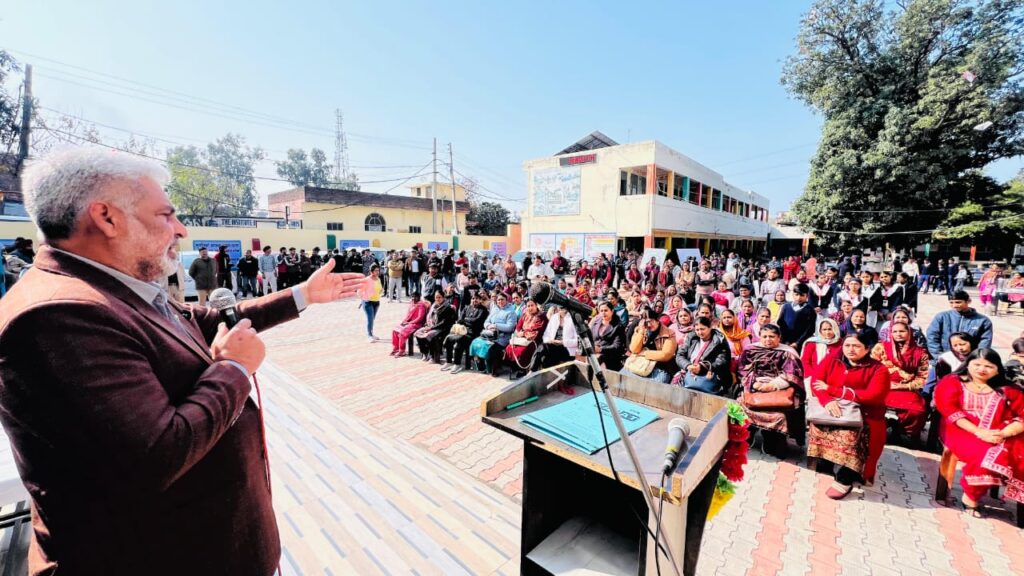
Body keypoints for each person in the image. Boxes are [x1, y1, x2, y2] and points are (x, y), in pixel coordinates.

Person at [0, 147, 365, 576]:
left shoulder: (108, 288)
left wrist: (303, 295)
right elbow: (156, 456)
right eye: (166, 215)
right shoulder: (57, 316)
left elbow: (204, 320)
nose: (181, 229)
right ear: (106, 218)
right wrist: (234, 370)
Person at [934, 349, 1024, 516]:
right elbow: (949, 410)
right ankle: (971, 496)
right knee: (988, 456)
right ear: (968, 364)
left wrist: (1004, 433)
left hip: (999, 433)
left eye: (988, 366)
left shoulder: (1008, 389)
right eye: (977, 364)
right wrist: (979, 432)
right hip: (960, 430)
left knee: (1015, 454)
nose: (982, 369)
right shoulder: (952, 382)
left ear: (997, 369)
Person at [808, 333, 891, 499]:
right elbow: (816, 382)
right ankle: (825, 461)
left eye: (856, 346)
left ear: (867, 349)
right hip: (832, 407)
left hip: (864, 413)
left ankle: (845, 477)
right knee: (821, 426)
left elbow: (873, 396)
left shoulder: (878, 369)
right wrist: (827, 400)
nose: (850, 349)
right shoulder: (832, 360)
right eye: (847, 345)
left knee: (853, 437)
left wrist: (833, 390)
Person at [737, 324, 805, 459]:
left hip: (779, 388)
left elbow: (793, 375)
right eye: (765, 336)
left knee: (780, 414)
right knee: (740, 404)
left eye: (772, 336)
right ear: (759, 337)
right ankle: (747, 437)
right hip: (754, 386)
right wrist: (754, 383)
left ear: (779, 337)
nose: (768, 339)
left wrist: (773, 385)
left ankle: (772, 444)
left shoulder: (787, 353)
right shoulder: (750, 350)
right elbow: (742, 370)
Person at [871, 321, 930, 445]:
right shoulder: (880, 347)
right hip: (881, 386)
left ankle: (901, 430)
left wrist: (904, 386)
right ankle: (881, 427)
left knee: (917, 411)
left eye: (902, 331)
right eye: (895, 331)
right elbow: (870, 369)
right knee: (871, 406)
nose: (898, 334)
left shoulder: (920, 352)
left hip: (906, 388)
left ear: (909, 332)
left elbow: (922, 377)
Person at [926, 291, 993, 360]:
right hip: (944, 359)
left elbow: (985, 342)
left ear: (968, 301)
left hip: (970, 360)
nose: (954, 305)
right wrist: (940, 357)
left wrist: (975, 359)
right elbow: (932, 337)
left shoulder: (983, 321)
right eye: (951, 303)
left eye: (958, 302)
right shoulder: (942, 317)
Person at [675, 317, 732, 394]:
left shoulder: (719, 340)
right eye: (697, 330)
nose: (700, 332)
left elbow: (722, 361)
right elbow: (680, 355)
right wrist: (688, 365)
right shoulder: (691, 337)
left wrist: (703, 367)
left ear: (710, 327)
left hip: (710, 374)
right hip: (690, 371)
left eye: (702, 329)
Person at [625, 306, 679, 384]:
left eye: (651, 321)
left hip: (660, 367)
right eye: (646, 322)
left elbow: (666, 355)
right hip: (640, 363)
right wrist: (641, 331)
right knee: (623, 381)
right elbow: (634, 349)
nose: (649, 324)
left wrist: (645, 353)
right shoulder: (640, 330)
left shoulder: (669, 333)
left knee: (653, 388)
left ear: (657, 321)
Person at [442, 292, 488, 373]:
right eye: (473, 298)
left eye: (477, 299)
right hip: (462, 330)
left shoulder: (483, 310)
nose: (474, 300)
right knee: (449, 338)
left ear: (480, 300)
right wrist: (467, 320)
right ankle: (448, 361)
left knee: (459, 341)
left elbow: (476, 322)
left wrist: (465, 319)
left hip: (473, 333)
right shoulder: (467, 307)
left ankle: (457, 364)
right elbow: (460, 320)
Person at [505, 299, 548, 378]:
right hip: (522, 338)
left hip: (535, 340)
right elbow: (518, 327)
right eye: (528, 306)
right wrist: (519, 333)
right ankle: (515, 366)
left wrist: (523, 333)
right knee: (509, 348)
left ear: (536, 305)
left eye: (532, 305)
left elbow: (537, 331)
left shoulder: (542, 316)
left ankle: (524, 370)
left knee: (522, 351)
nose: (530, 308)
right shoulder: (525, 314)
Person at [533, 305, 579, 371]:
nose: (560, 309)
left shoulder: (573, 319)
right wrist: (550, 341)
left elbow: (578, 341)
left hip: (567, 349)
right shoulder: (554, 317)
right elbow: (545, 335)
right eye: (559, 307)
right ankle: (532, 370)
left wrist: (563, 342)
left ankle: (534, 371)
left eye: (562, 307)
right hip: (554, 346)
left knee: (545, 357)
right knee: (542, 348)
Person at [415, 290, 457, 363]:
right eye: (436, 297)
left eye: (439, 297)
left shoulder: (448, 307)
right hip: (432, 326)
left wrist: (431, 328)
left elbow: (444, 322)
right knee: (418, 332)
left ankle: (432, 355)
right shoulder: (434, 306)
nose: (437, 299)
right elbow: (429, 317)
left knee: (429, 335)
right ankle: (425, 352)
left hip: (443, 328)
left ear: (443, 297)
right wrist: (428, 325)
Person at [801, 318, 842, 384]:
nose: (827, 332)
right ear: (820, 331)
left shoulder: (840, 343)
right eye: (824, 330)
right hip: (814, 376)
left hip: (835, 377)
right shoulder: (812, 343)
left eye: (830, 329)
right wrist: (813, 376)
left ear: (835, 329)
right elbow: (805, 361)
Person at [777, 283, 817, 349]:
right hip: (785, 341)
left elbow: (810, 329)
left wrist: (797, 343)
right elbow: (781, 323)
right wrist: (785, 340)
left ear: (807, 296)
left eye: (802, 295)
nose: (799, 298)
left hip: (801, 343)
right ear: (793, 294)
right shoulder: (786, 307)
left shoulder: (810, 310)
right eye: (796, 294)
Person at [590, 301, 626, 371]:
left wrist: (600, 349)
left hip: (610, 358)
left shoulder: (618, 326)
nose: (603, 313)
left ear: (612, 311)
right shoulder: (595, 322)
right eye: (601, 311)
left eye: (606, 310)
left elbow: (617, 346)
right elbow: (590, 337)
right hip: (594, 355)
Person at [358, 264, 383, 342]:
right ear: (371, 271)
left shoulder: (378, 279)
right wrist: (363, 299)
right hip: (368, 302)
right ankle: (369, 335)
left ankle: (371, 334)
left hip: (376, 302)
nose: (378, 272)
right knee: (370, 319)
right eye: (376, 270)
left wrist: (381, 290)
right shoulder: (367, 280)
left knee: (372, 319)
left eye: (378, 270)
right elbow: (359, 291)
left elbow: (379, 289)